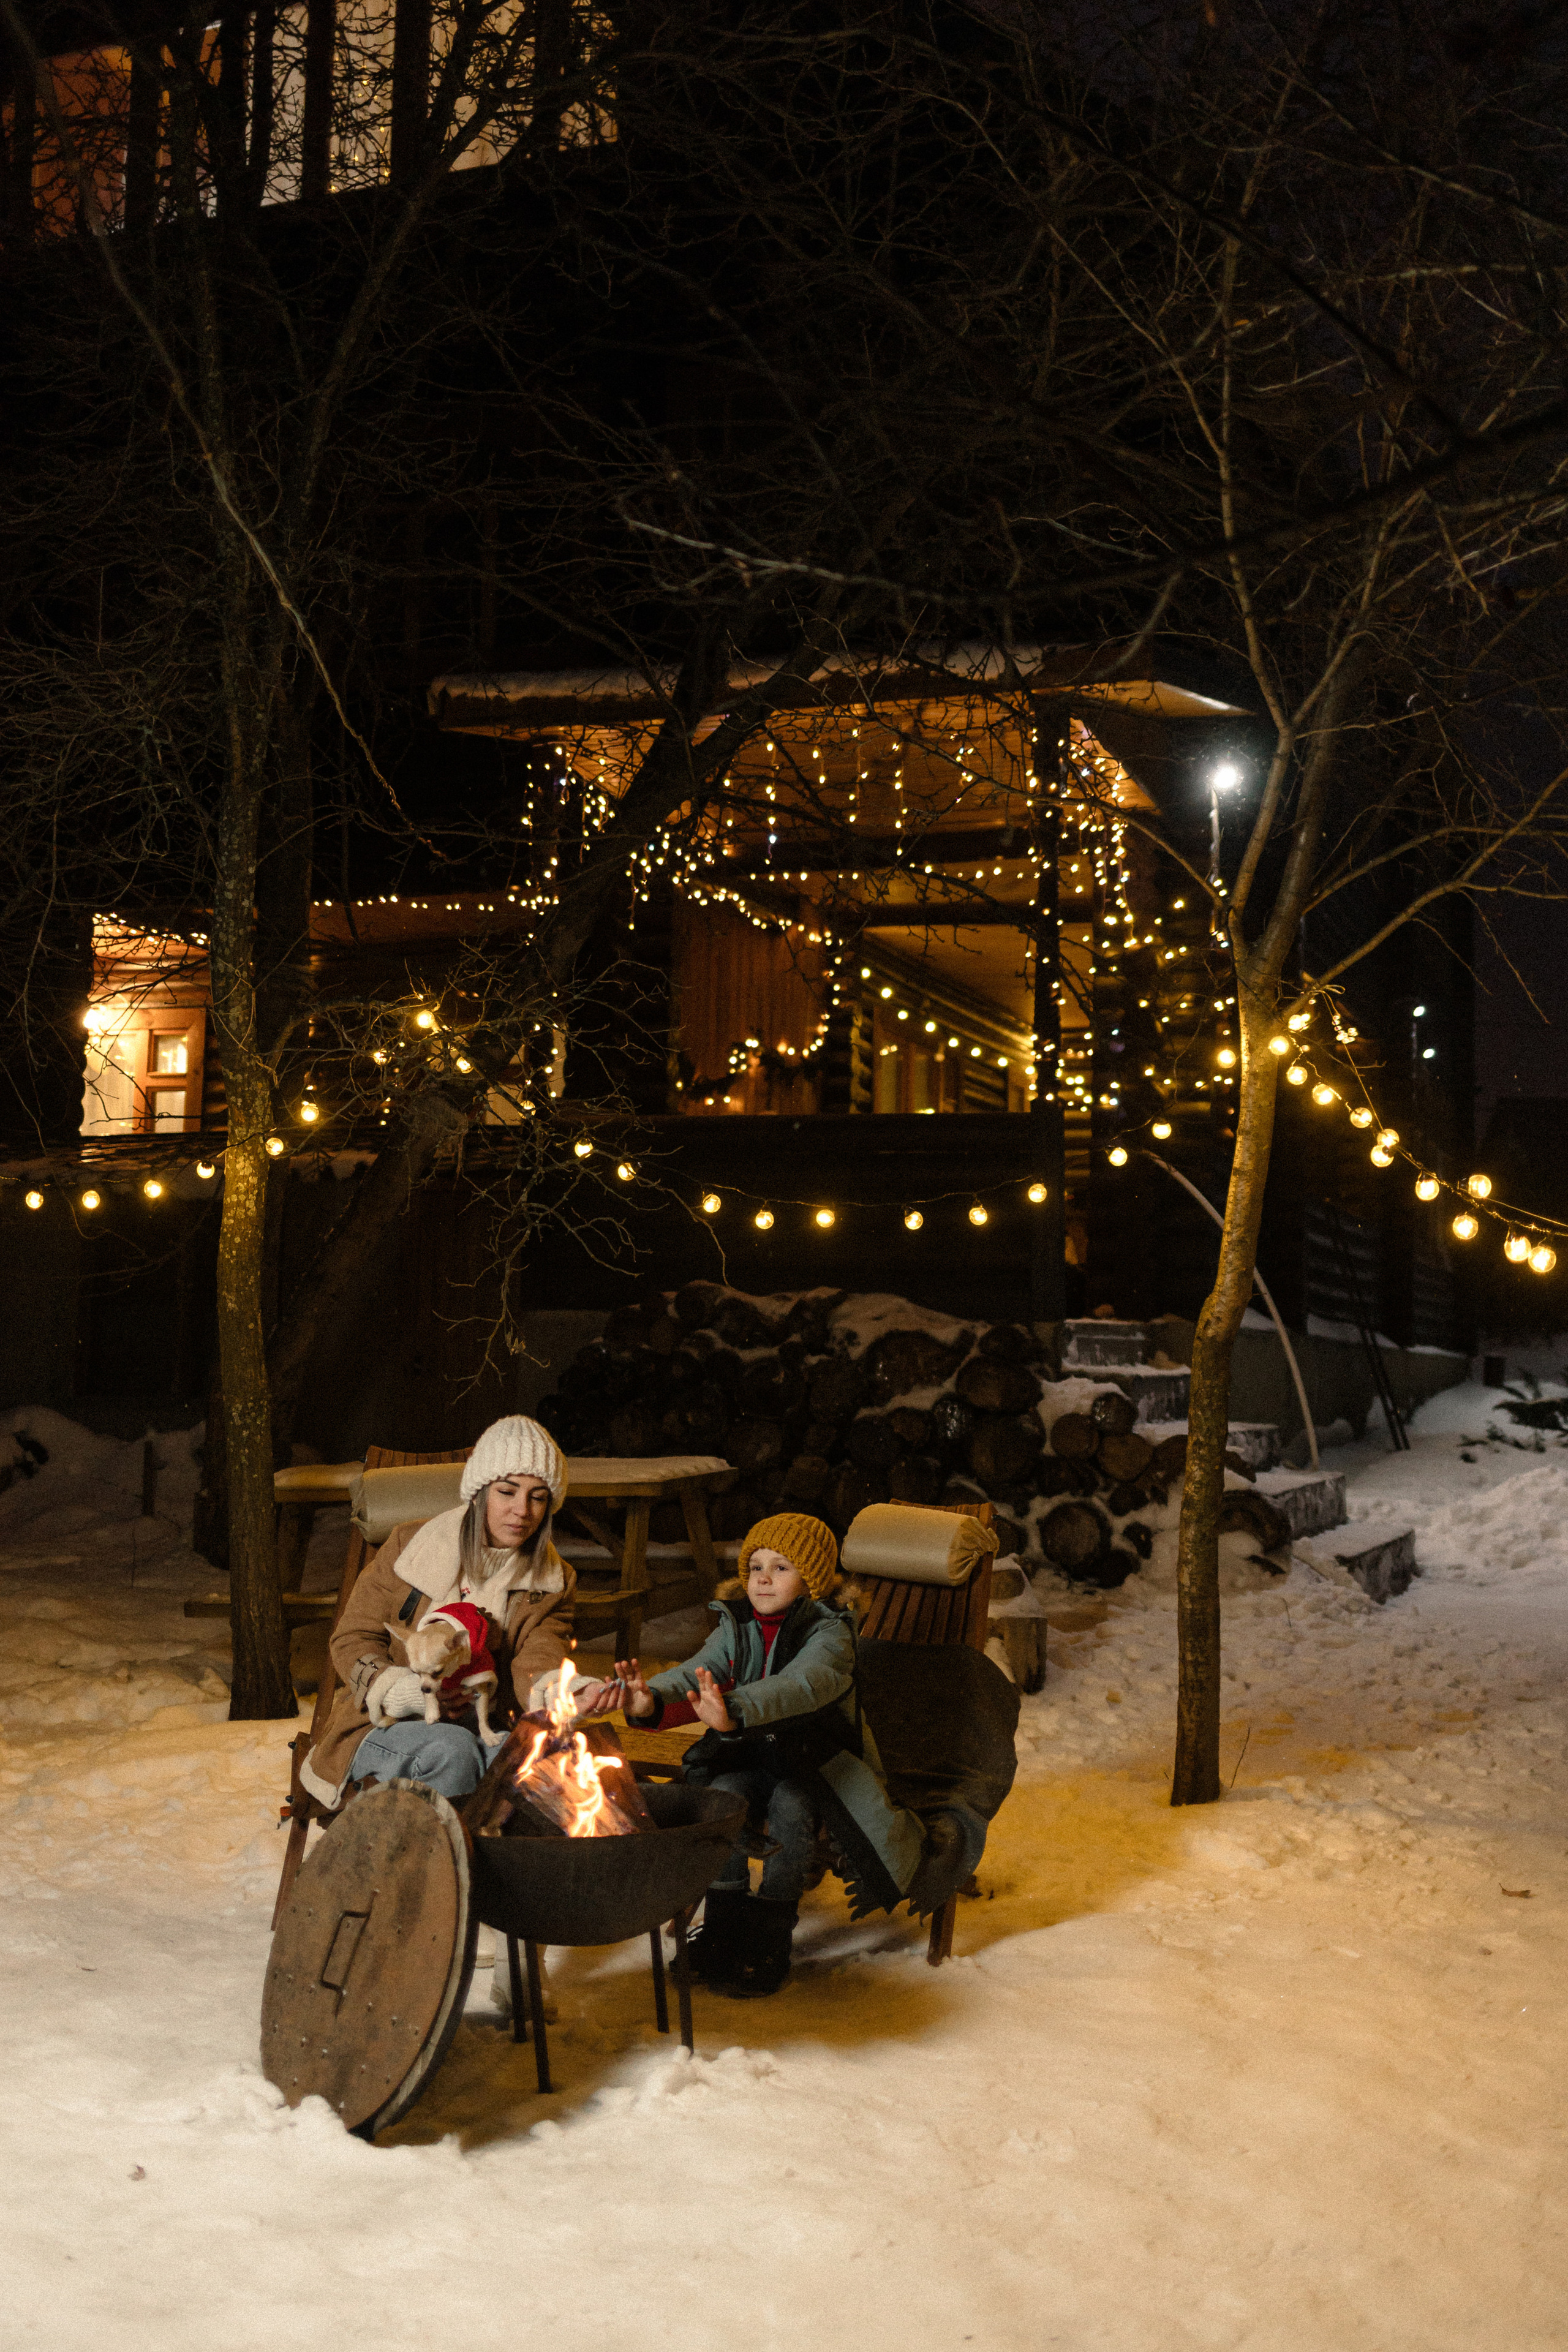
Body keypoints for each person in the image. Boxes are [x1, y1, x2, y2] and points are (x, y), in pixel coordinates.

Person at [580, 1513, 927, 1999]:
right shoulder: (736, 1623)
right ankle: (723, 1924)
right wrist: (649, 1698)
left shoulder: (830, 1636)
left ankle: (770, 1933)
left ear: (815, 1580)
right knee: (721, 1798)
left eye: (782, 1567)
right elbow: (699, 1672)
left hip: (812, 1761)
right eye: (756, 1566)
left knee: (790, 1808)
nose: (763, 1577)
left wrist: (736, 1710)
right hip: (744, 1756)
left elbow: (800, 1687)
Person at [298, 1417, 576, 1812]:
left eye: (538, 1496)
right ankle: (429, 1870)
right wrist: (409, 1692)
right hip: (385, 1723)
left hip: (485, 1724)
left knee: (528, 1767)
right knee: (453, 1750)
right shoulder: (409, 1546)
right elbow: (352, 1638)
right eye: (507, 1491)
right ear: (479, 1493)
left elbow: (540, 1657)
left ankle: (494, 1866)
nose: (522, 1511)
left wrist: (569, 1691)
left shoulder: (553, 1579)